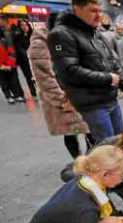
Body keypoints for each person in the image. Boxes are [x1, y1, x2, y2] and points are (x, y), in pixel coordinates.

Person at [48, 0, 123, 143]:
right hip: (92, 104)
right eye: (93, 10)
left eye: (100, 10)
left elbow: (112, 63)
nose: (99, 15)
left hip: (110, 99)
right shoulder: (61, 34)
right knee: (107, 149)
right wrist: (108, 78)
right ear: (77, 9)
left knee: (121, 144)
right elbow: (68, 72)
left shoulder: (95, 33)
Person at [28, 12, 93, 159]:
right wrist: (61, 100)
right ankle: (78, 162)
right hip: (60, 96)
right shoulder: (41, 43)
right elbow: (44, 76)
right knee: (69, 132)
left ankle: (90, 161)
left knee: (89, 129)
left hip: (78, 91)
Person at [0, 15, 26, 104]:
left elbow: (12, 48)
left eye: (2, 21)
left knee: (13, 79)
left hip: (11, 59)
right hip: (2, 60)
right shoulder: (5, 32)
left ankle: (18, 95)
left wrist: (10, 63)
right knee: (3, 80)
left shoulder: (11, 30)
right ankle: (9, 96)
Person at [12, 19, 37, 98]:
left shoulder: (33, 34)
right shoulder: (18, 36)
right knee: (28, 76)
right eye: (22, 25)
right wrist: (27, 55)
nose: (24, 27)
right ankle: (33, 92)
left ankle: (40, 90)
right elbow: (19, 48)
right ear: (19, 27)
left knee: (37, 76)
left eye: (25, 25)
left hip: (34, 59)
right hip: (24, 60)